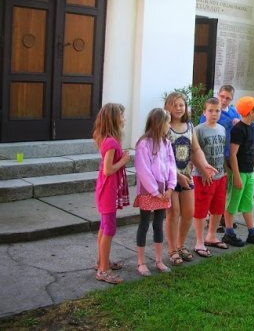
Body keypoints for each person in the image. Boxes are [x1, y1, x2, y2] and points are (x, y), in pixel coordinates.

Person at [164, 92, 218, 263]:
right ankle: (172, 249)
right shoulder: (164, 127)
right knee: (174, 213)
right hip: (170, 177)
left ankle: (181, 245)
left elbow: (196, 149)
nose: (179, 108)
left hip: (187, 176)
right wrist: (176, 175)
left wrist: (204, 165)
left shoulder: (189, 126)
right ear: (167, 107)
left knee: (188, 213)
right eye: (174, 105)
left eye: (181, 105)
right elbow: (161, 157)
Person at [134, 108, 176, 276]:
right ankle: (141, 262)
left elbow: (172, 166)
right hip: (149, 191)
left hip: (164, 190)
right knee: (144, 224)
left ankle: (159, 260)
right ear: (159, 123)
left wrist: (171, 187)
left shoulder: (166, 143)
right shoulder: (143, 144)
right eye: (168, 122)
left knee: (158, 224)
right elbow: (143, 170)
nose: (169, 125)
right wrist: (155, 191)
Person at [222, 96, 254, 247]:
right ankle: (229, 233)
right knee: (232, 203)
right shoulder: (238, 130)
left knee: (248, 203)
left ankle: (252, 233)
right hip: (239, 172)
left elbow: (252, 149)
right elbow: (233, 154)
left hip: (249, 172)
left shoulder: (253, 127)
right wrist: (236, 176)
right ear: (250, 112)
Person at [92, 103, 130, 284]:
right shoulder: (111, 142)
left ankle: (102, 261)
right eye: (121, 115)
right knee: (109, 230)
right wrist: (124, 160)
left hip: (106, 189)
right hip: (108, 190)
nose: (124, 118)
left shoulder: (107, 139)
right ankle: (103, 270)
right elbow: (108, 170)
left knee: (104, 227)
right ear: (114, 119)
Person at [200, 85, 241, 232]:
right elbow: (202, 133)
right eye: (222, 96)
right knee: (212, 188)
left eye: (228, 98)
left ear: (232, 99)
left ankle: (224, 216)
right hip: (213, 155)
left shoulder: (234, 112)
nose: (224, 100)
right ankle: (210, 219)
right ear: (218, 94)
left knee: (226, 188)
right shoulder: (211, 110)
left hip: (230, 155)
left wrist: (238, 124)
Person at [192, 97, 228, 258]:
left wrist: (225, 171)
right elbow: (194, 154)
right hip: (203, 177)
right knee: (201, 209)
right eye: (210, 111)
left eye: (217, 111)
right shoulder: (198, 130)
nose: (214, 114)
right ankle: (199, 241)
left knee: (218, 208)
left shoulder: (222, 129)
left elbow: (222, 151)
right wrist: (203, 171)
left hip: (220, 175)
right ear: (204, 112)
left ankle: (211, 236)